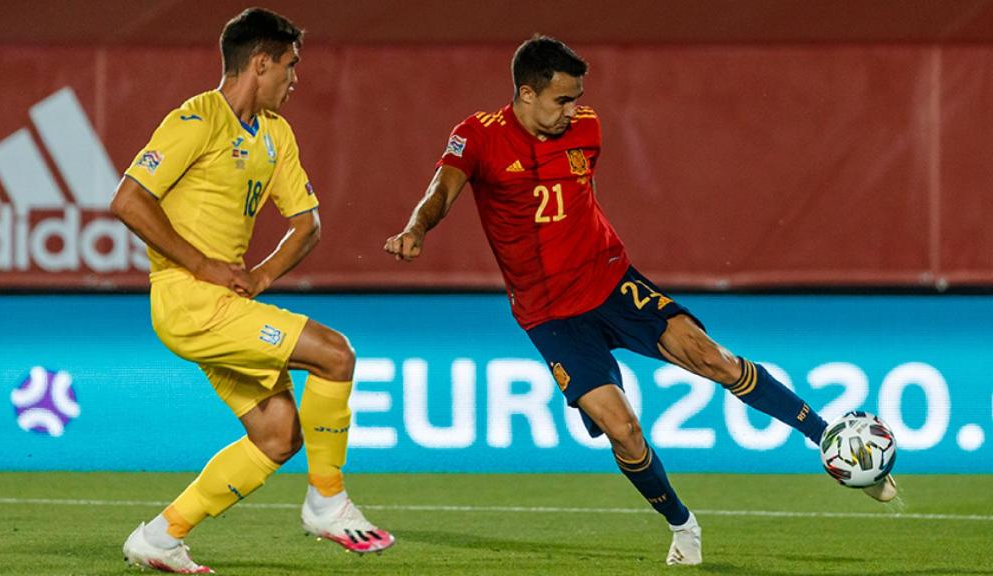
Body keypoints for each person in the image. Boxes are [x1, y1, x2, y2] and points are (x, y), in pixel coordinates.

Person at [384, 35, 896, 566]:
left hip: (611, 282)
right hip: (548, 314)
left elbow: (578, 200)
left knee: (712, 358)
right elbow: (442, 189)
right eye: (562, 100)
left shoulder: (587, 128)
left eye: (577, 97)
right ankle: (682, 523)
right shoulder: (479, 136)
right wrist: (416, 228)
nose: (572, 110)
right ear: (526, 93)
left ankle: (827, 440)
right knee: (622, 429)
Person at [111, 8, 394, 573]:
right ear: (260, 63)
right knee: (335, 354)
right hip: (187, 298)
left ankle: (161, 537)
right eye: (290, 66)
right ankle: (328, 502)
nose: (295, 79)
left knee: (278, 436)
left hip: (223, 303)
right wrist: (202, 263)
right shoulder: (197, 118)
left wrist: (260, 277)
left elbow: (307, 223)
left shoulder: (275, 134)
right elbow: (128, 200)